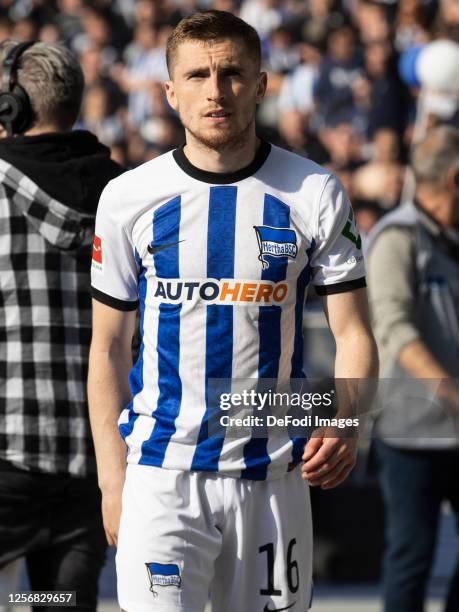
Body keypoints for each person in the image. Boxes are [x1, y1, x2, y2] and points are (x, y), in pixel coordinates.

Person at [88, 10, 378, 612]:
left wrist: (347, 421)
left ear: (262, 84)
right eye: (196, 76)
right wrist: (112, 480)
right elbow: (109, 349)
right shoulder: (127, 198)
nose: (215, 92)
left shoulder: (315, 191)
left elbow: (354, 334)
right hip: (161, 478)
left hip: (272, 479)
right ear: (169, 92)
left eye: (232, 74)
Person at [0, 40, 124, 611]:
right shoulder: (127, 193)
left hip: (9, 456)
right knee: (59, 602)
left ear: (12, 108)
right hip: (97, 454)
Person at [367, 126, 459, 612]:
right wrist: (452, 392)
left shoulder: (450, 235)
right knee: (412, 557)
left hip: (455, 431)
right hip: (412, 434)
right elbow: (395, 328)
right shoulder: (398, 236)